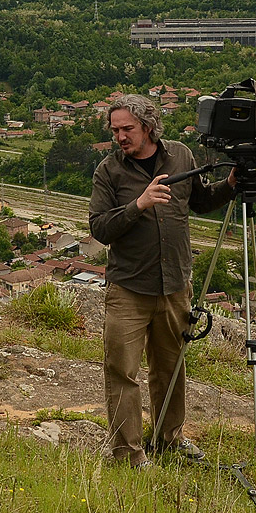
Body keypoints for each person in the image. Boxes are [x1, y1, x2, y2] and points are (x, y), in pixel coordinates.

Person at [88, 93, 236, 468]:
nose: (120, 136)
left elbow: (199, 202)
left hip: (175, 286)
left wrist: (232, 184)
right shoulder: (109, 170)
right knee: (122, 370)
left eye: (127, 129)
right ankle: (129, 454)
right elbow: (99, 228)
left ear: (149, 126)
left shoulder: (181, 156)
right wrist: (138, 204)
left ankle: (169, 440)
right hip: (129, 288)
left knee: (171, 369)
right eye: (115, 130)